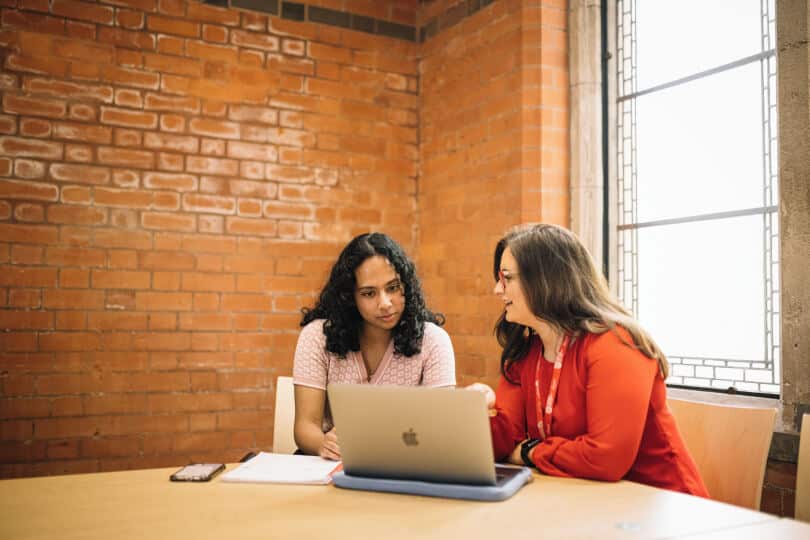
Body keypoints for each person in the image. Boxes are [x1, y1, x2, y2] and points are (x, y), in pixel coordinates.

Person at [470, 223, 708, 496]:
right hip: (585, 498)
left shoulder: (616, 343)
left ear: (546, 280)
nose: (497, 290)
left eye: (506, 278)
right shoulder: (526, 351)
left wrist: (529, 451)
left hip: (663, 503)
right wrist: (468, 415)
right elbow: (503, 440)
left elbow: (606, 459)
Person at [292, 232, 456, 460]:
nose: (385, 303)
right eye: (369, 293)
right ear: (350, 297)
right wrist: (323, 444)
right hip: (332, 466)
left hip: (403, 465)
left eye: (393, 287)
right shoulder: (317, 336)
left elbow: (442, 430)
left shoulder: (434, 341)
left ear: (406, 285)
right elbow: (305, 427)